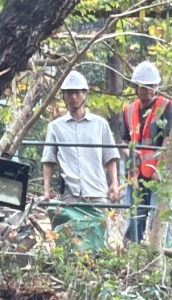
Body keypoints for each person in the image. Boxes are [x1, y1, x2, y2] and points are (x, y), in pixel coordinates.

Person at [41, 70, 123, 250]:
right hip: (71, 194)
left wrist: (114, 184)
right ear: (64, 96)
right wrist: (46, 189)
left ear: (84, 94)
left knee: (98, 241)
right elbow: (48, 160)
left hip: (97, 191)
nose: (73, 97)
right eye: (69, 93)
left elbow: (110, 157)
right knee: (72, 242)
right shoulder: (55, 127)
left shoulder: (100, 124)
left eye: (77, 92)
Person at [121, 60, 172, 242]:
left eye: (151, 87)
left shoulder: (166, 107)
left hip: (158, 174)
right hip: (135, 173)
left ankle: (162, 252)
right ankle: (132, 250)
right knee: (134, 218)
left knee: (159, 218)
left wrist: (160, 168)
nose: (148, 91)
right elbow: (124, 140)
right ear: (136, 87)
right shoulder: (129, 110)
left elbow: (169, 140)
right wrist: (129, 154)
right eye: (144, 87)